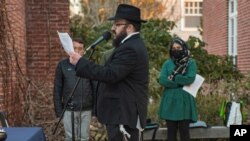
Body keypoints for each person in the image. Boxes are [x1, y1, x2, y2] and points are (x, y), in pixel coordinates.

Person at [69, 4, 149, 141]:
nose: (112, 28)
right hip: (120, 114)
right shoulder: (130, 45)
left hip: (123, 115)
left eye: (117, 24)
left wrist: (81, 62)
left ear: (129, 27)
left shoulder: (130, 48)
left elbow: (110, 74)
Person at [158, 38, 198, 141]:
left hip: (185, 102)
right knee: (171, 133)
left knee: (184, 132)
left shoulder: (190, 63)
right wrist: (180, 82)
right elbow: (162, 80)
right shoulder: (167, 63)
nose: (176, 50)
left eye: (178, 48)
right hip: (170, 101)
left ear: (183, 48)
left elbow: (190, 79)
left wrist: (174, 78)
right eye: (174, 48)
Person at [53, 37, 93, 141]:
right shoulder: (62, 65)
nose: (77, 51)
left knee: (84, 138)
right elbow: (57, 89)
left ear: (83, 50)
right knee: (70, 138)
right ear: (70, 49)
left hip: (86, 109)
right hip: (68, 110)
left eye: (80, 48)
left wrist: (95, 109)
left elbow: (94, 87)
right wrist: (59, 111)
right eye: (75, 48)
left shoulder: (89, 65)